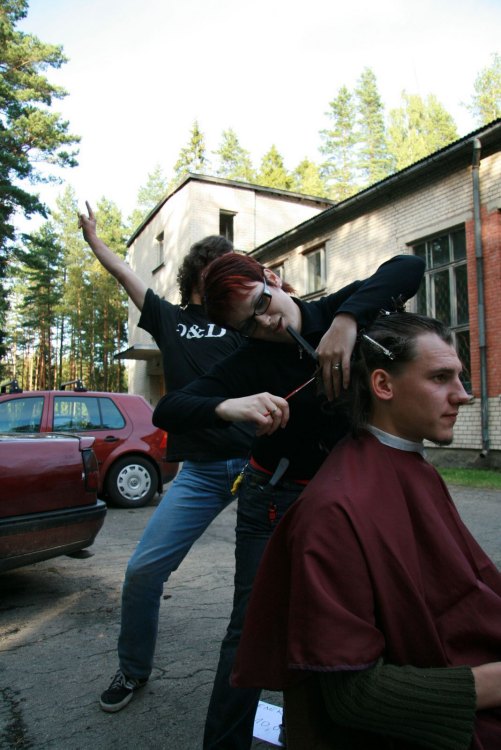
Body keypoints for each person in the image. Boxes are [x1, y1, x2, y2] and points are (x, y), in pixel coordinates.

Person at [152, 252, 425, 749]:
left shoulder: (341, 309)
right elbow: (169, 409)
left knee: (371, 615)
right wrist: (230, 405)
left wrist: (345, 322)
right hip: (274, 499)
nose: (265, 323)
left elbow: (408, 265)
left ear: (272, 279)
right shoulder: (251, 360)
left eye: (262, 304)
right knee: (249, 628)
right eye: (248, 325)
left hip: (351, 498)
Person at [232, 312, 501, 750]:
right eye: (440, 378)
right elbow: (356, 697)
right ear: (383, 385)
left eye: (459, 377)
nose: (463, 395)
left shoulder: (413, 467)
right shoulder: (333, 512)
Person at [77, 203, 253, 713]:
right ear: (199, 273)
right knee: (143, 572)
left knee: (274, 579)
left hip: (258, 467)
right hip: (200, 472)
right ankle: (133, 669)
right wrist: (95, 241)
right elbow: (126, 274)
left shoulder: (247, 323)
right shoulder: (170, 320)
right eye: (218, 265)